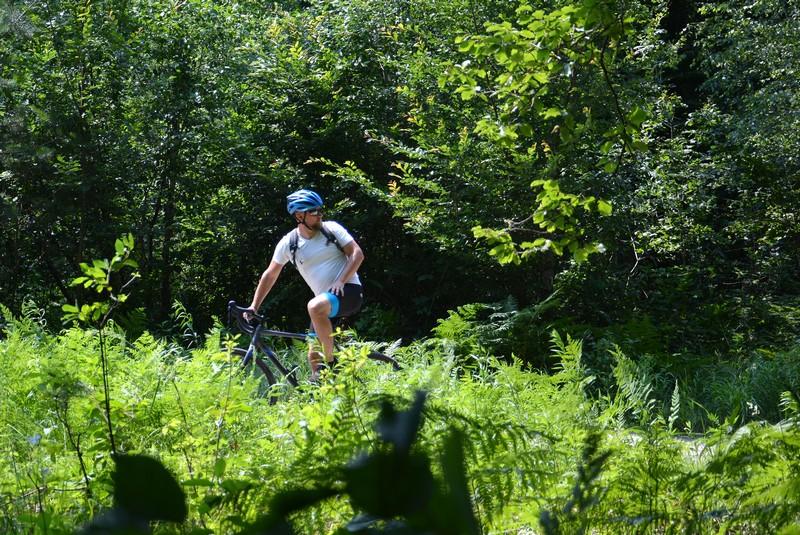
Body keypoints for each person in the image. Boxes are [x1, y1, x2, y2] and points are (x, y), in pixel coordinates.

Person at [245, 189, 364, 382]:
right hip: (323, 305)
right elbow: (271, 274)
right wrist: (254, 306)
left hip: (348, 292)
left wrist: (341, 280)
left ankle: (331, 364)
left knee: (314, 307)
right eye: (314, 211)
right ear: (299, 216)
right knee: (314, 357)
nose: (320, 215)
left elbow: (357, 254)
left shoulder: (332, 229)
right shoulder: (289, 243)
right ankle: (324, 391)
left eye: (320, 210)